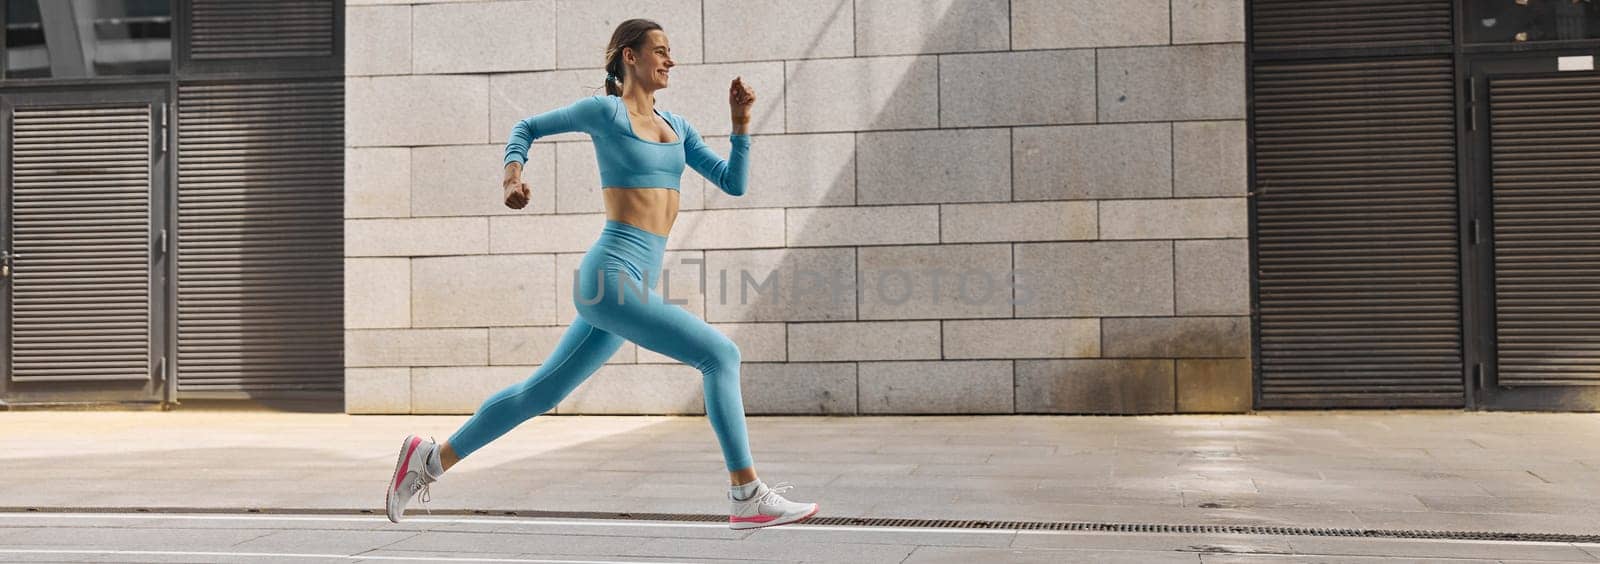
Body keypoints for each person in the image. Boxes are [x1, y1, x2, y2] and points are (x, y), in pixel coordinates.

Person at [385, 18, 818, 531]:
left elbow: (734, 182)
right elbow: (526, 127)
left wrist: (741, 122)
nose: (670, 60)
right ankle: (746, 494)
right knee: (720, 354)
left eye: (671, 51)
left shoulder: (679, 128)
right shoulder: (605, 112)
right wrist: (511, 177)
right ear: (629, 57)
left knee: (540, 395)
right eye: (660, 50)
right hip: (609, 277)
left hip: (632, 286)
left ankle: (428, 460)